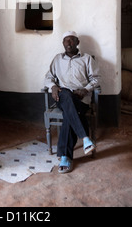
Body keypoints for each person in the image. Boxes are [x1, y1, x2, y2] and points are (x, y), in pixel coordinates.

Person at [44, 31, 100, 173]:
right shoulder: (57, 59)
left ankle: (65, 157)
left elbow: (96, 79)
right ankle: (85, 138)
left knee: (70, 115)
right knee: (67, 95)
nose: (68, 43)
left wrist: (86, 90)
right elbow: (48, 77)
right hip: (62, 96)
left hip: (81, 98)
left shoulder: (86, 59)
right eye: (65, 41)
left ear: (77, 42)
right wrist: (54, 86)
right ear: (63, 43)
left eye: (71, 40)